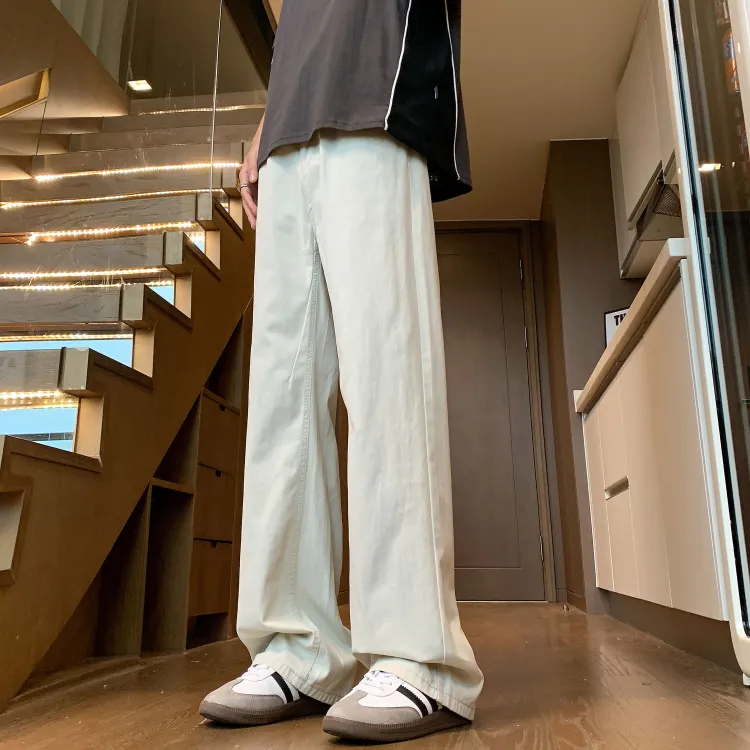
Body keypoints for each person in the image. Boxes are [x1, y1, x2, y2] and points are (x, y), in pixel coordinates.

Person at [199, 0, 483, 742]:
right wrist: (268, 122)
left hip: (378, 89)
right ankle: (296, 650)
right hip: (288, 127)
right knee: (281, 401)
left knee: (387, 377)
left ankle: (421, 659)